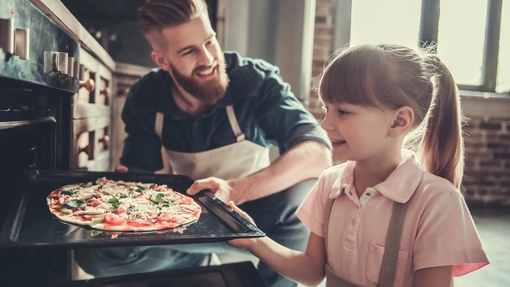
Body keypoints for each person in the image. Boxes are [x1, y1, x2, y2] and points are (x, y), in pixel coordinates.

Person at [74, 0, 332, 286]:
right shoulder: (146, 96)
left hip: (253, 220)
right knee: (96, 255)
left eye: (209, 42)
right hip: (186, 222)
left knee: (301, 196)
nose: (208, 58)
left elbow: (317, 153)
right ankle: (195, 265)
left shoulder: (256, 81)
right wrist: (126, 187)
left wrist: (236, 188)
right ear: (162, 61)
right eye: (189, 51)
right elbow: (138, 170)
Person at [226, 43, 490, 287]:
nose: (325, 124)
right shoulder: (329, 183)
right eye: (326, 108)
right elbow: (311, 272)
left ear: (399, 121)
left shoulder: (437, 201)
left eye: (342, 111)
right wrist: (255, 239)